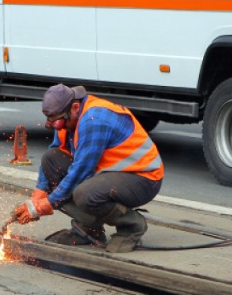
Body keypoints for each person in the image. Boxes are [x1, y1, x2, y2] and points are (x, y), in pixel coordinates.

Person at [11, 83, 164, 252]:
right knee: (51, 160)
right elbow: (53, 153)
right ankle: (88, 230)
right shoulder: (64, 114)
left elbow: (80, 172)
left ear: (75, 107)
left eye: (57, 120)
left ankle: (132, 226)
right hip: (109, 173)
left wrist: (44, 206)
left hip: (143, 178)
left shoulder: (94, 120)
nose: (54, 125)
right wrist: (37, 196)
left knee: (85, 193)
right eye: (50, 119)